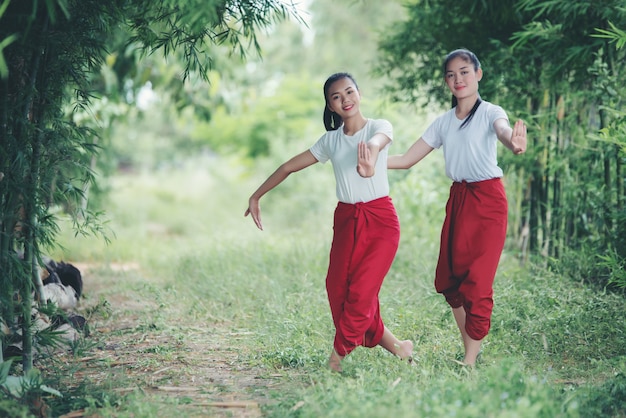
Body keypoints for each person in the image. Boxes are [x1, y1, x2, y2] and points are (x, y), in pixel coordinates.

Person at [245, 72, 413, 372]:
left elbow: (377, 142)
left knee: (361, 293)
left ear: (359, 93)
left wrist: (370, 157)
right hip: (347, 220)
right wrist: (257, 196)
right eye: (337, 96)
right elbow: (288, 167)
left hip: (380, 221)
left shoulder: (379, 127)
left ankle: (335, 361)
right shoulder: (330, 141)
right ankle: (400, 348)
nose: (345, 99)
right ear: (330, 106)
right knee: (337, 288)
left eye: (349, 92)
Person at [387, 49, 527, 366]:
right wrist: (371, 159)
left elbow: (504, 132)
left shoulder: (492, 112)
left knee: (477, 281)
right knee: (451, 280)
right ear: (446, 81)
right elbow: (408, 159)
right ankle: (470, 357)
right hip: (460, 201)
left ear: (478, 73)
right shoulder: (443, 123)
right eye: (451, 74)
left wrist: (514, 142)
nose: (458, 79)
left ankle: (469, 361)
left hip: (488, 201)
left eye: (464, 72)